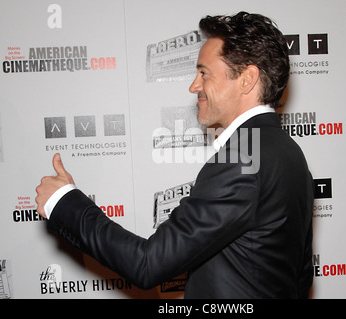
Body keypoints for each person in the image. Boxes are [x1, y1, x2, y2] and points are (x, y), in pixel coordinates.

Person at [36, 12, 314, 299]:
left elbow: (147, 264)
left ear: (247, 79)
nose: (194, 85)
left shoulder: (242, 157)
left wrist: (63, 202)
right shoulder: (290, 153)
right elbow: (300, 278)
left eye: (204, 73)